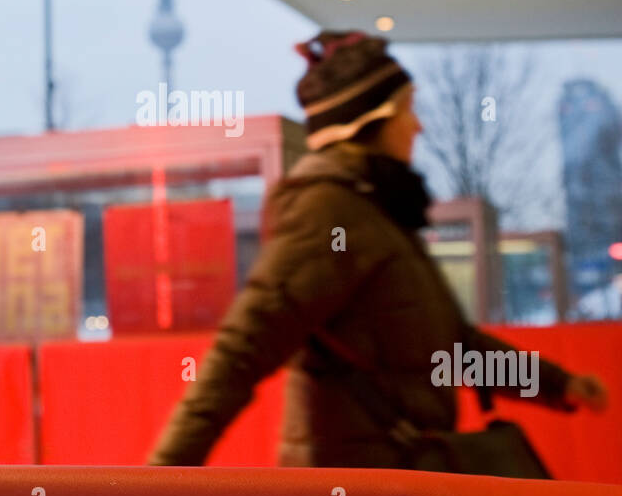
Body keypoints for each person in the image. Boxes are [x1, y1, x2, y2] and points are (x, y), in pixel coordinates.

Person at [147, 30, 608, 469]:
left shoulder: (379, 210)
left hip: (395, 479)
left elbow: (454, 345)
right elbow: (245, 347)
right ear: (371, 121)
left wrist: (559, 385)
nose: (418, 126)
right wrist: (164, 477)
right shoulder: (328, 210)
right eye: (408, 109)